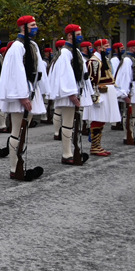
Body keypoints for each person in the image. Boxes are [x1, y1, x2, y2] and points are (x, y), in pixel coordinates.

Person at [0, 15, 46, 181]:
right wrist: (23, 96)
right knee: (17, 131)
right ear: (24, 27)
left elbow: (39, 70)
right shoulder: (17, 47)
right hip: (21, 94)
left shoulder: (32, 45)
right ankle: (14, 167)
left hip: (30, 90)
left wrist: (42, 91)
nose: (35, 27)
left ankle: (19, 164)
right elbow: (16, 73)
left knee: (24, 130)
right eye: (33, 25)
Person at [46, 24, 92, 165]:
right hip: (68, 94)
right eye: (78, 34)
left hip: (75, 92)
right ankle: (67, 153)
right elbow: (65, 75)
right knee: (67, 123)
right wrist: (72, 94)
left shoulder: (74, 51)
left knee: (71, 123)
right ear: (70, 35)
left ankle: (71, 151)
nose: (80, 36)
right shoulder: (65, 53)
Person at [84, 38, 120, 156]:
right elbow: (92, 81)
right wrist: (95, 97)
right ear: (99, 48)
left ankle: (97, 145)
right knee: (98, 119)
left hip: (106, 92)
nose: (108, 48)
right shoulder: (94, 61)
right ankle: (95, 146)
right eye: (106, 46)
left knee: (102, 120)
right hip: (100, 93)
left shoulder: (103, 59)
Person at [115, 40, 135, 139]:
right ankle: (128, 136)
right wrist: (124, 93)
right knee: (129, 114)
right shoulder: (127, 60)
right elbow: (125, 77)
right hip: (131, 90)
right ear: (132, 48)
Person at [50, 39, 66, 140]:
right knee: (58, 110)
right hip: (59, 86)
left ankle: (58, 132)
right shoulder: (58, 58)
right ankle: (57, 132)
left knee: (60, 110)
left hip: (59, 86)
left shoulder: (57, 58)